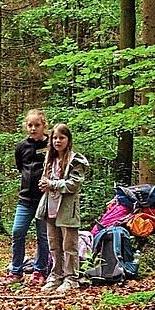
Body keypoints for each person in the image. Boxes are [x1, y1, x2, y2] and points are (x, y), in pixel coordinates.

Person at [35, 123, 88, 294]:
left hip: (67, 208)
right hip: (50, 206)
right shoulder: (49, 159)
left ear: (68, 139)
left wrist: (52, 184)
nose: (57, 141)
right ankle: (56, 275)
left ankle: (71, 278)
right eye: (55, 137)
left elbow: (74, 184)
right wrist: (45, 184)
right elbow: (47, 179)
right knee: (54, 243)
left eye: (61, 137)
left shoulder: (76, 160)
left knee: (69, 244)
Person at [6, 109, 50, 285]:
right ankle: (16, 271)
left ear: (43, 125)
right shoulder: (22, 146)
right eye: (30, 125)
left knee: (43, 236)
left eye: (37, 125)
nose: (33, 128)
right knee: (18, 232)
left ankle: (40, 270)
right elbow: (21, 167)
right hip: (25, 198)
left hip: (45, 199)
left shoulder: (51, 145)